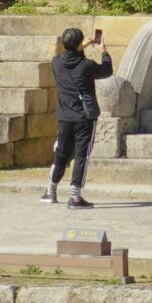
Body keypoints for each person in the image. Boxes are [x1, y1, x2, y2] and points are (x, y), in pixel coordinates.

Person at [41, 24, 112, 209]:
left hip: (64, 118)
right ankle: (75, 197)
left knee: (61, 152)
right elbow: (107, 70)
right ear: (80, 44)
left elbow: (70, 61)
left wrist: (80, 47)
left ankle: (50, 191)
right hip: (84, 118)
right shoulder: (86, 66)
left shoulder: (56, 63)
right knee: (81, 155)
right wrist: (103, 50)